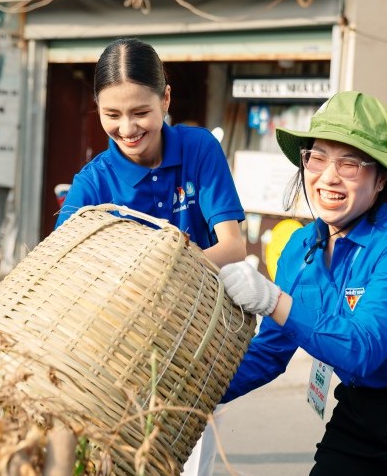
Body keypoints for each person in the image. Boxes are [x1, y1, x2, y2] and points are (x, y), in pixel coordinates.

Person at [219, 90, 387, 475]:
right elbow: (271, 351)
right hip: (362, 412)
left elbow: (363, 348)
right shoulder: (299, 248)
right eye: (317, 157)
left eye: (350, 163)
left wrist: (274, 300)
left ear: (380, 178)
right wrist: (194, 394)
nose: (329, 176)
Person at [55, 37, 246, 474]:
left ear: (166, 98)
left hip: (198, 340)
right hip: (117, 350)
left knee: (191, 463)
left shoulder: (199, 150)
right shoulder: (92, 184)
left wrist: (165, 271)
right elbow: (64, 267)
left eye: (141, 112)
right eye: (112, 115)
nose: (127, 129)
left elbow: (233, 245)